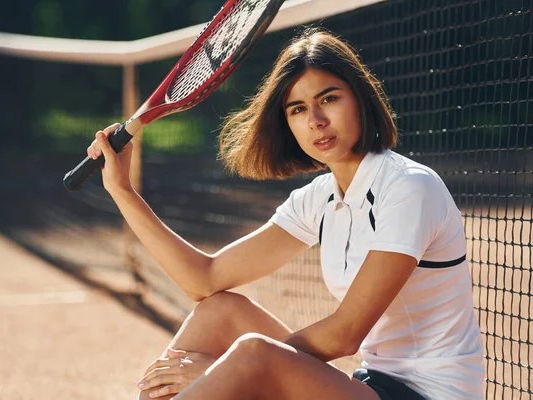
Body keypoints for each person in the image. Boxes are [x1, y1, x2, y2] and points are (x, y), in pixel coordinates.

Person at [87, 28, 485, 400]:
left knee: (253, 354)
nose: (316, 120)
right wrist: (122, 191)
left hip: (431, 395)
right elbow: (203, 280)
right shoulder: (320, 198)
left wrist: (228, 370)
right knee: (220, 309)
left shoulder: (409, 188)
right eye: (298, 108)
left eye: (329, 98)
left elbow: (345, 334)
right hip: (371, 386)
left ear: (361, 100)